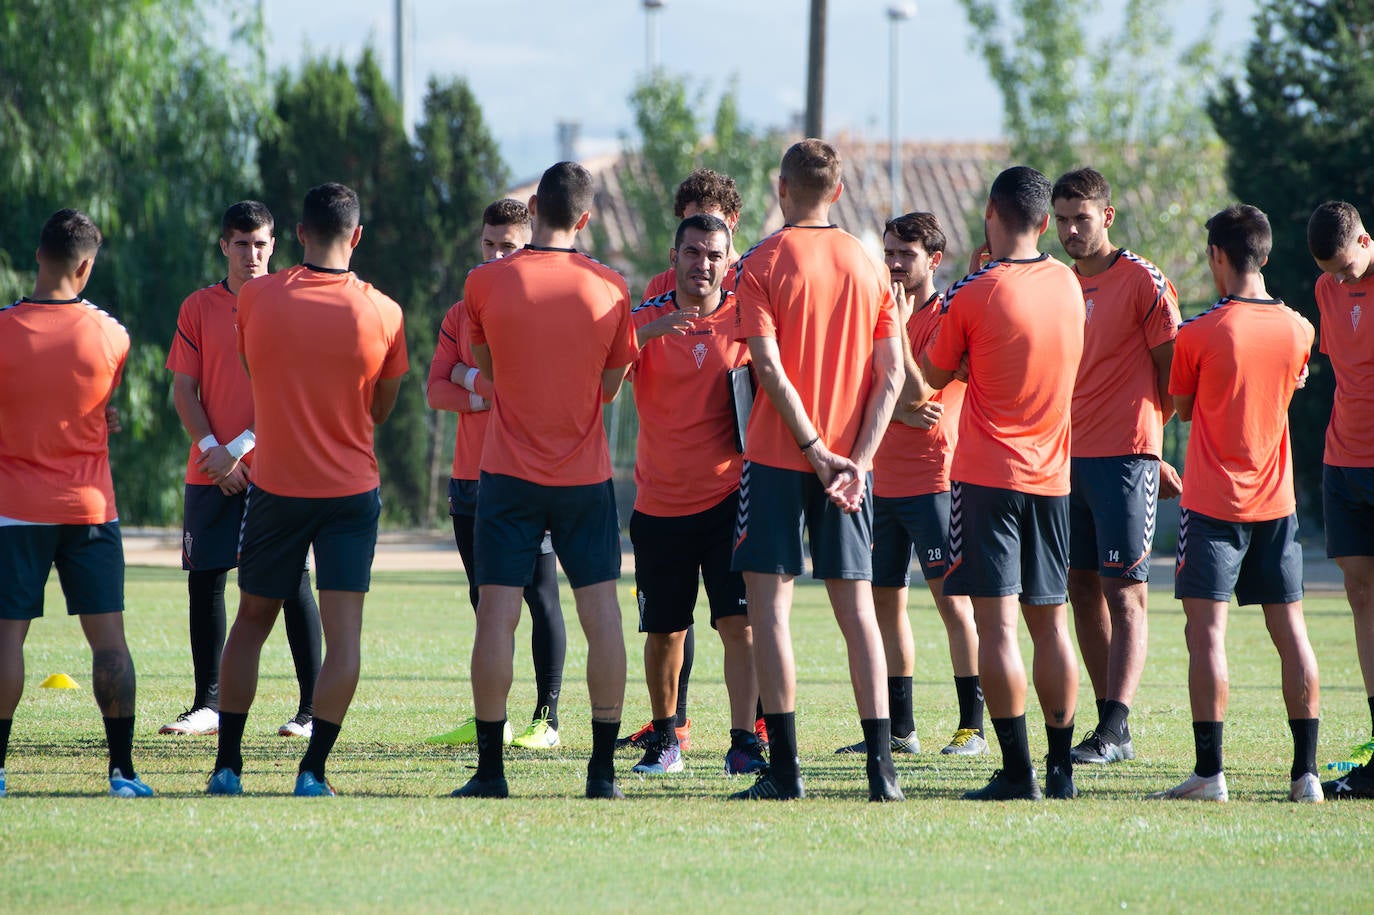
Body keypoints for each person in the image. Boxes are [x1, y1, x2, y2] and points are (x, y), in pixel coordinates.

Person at [207, 182, 408, 798]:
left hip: (278, 487)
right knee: (344, 635)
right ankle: (312, 771)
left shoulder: (258, 298)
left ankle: (228, 767)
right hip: (350, 491)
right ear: (357, 236)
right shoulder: (385, 312)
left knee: (249, 623)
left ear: (297, 234)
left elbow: (252, 370)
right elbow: (382, 407)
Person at [729, 138, 910, 802]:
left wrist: (812, 447)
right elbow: (891, 377)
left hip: (782, 458)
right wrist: (857, 460)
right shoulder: (868, 266)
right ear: (838, 192)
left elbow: (767, 367)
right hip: (848, 470)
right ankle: (881, 772)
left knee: (770, 612)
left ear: (781, 188)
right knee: (858, 611)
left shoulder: (763, 262)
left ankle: (789, 771)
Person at [451, 161, 636, 800]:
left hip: (506, 474)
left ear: (533, 210)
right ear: (584, 218)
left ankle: (491, 772)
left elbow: (487, 367)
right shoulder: (612, 288)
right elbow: (611, 389)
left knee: (495, 617)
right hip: (584, 478)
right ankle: (602, 772)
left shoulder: (484, 283)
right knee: (601, 616)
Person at [921, 166, 1085, 801]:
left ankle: (1017, 774)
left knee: (997, 631)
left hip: (988, 479)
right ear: (1045, 221)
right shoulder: (1070, 286)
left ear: (991, 212)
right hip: (1053, 480)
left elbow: (931, 375)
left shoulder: (975, 291)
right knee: (1052, 628)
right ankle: (1061, 771)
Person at [1149, 203, 1321, 803]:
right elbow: (1286, 388)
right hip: (1277, 503)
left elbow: (1188, 411)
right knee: (1291, 631)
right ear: (1266, 255)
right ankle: (1306, 778)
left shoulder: (1197, 334)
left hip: (1213, 502)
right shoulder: (1301, 329)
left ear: (1218, 256)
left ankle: (1210, 773)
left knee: (1208, 634)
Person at [0, 209, 153, 798]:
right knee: (108, 642)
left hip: (14, 508)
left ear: (38, 256)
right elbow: (93, 401)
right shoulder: (112, 335)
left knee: (7, 640)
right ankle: (122, 772)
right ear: (86, 266)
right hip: (89, 506)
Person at [160, 200, 322, 740]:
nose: (251, 254)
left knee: (294, 581)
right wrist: (214, 450)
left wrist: (241, 449)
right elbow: (184, 388)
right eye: (240, 243)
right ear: (223, 246)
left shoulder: (292, 302)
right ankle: (206, 703)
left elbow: (293, 392)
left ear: (275, 245)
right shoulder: (196, 307)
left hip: (275, 465)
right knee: (205, 581)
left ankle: (310, 708)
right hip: (209, 467)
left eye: (260, 244)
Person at [621, 167, 768, 753]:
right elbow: (602, 387)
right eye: (691, 248)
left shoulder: (748, 312)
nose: (702, 262)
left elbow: (777, 387)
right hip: (658, 503)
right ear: (675, 248)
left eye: (714, 251)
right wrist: (648, 333)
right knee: (664, 633)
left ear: (731, 247)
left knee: (741, 626)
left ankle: (747, 738)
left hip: (732, 499)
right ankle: (666, 735)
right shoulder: (645, 313)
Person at [833, 212, 986, 758]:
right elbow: (864, 393)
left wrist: (890, 397)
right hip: (881, 484)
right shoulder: (875, 312)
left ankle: (972, 728)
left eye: (907, 254)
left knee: (954, 605)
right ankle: (901, 729)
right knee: (885, 605)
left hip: (936, 483)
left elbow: (921, 399)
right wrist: (889, 405)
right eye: (889, 252)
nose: (895, 264)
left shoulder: (950, 316)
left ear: (934, 260)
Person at [1050, 168, 1183, 766]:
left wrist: (1151, 446)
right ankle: (1109, 726)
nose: (1072, 230)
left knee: (1125, 591)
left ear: (1107, 216)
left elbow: (1173, 374)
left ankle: (1117, 724)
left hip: (1125, 458)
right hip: (1062, 459)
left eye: (1082, 217)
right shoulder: (1054, 283)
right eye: (1062, 219)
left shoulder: (1142, 279)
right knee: (1080, 588)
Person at [425, 198, 567, 750]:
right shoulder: (462, 311)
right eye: (489, 244)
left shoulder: (538, 304)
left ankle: (547, 718)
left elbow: (532, 389)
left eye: (508, 245)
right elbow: (436, 389)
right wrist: (479, 387)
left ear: (529, 243)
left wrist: (469, 379)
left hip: (528, 476)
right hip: (470, 481)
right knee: (486, 602)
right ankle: (495, 717)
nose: (496, 255)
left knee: (540, 597)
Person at [1308, 201, 1374, 799]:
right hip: (1342, 461)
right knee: (1360, 594)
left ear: (1366, 239)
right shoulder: (1328, 288)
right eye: (1330, 271)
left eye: (1347, 267)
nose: (1340, 280)